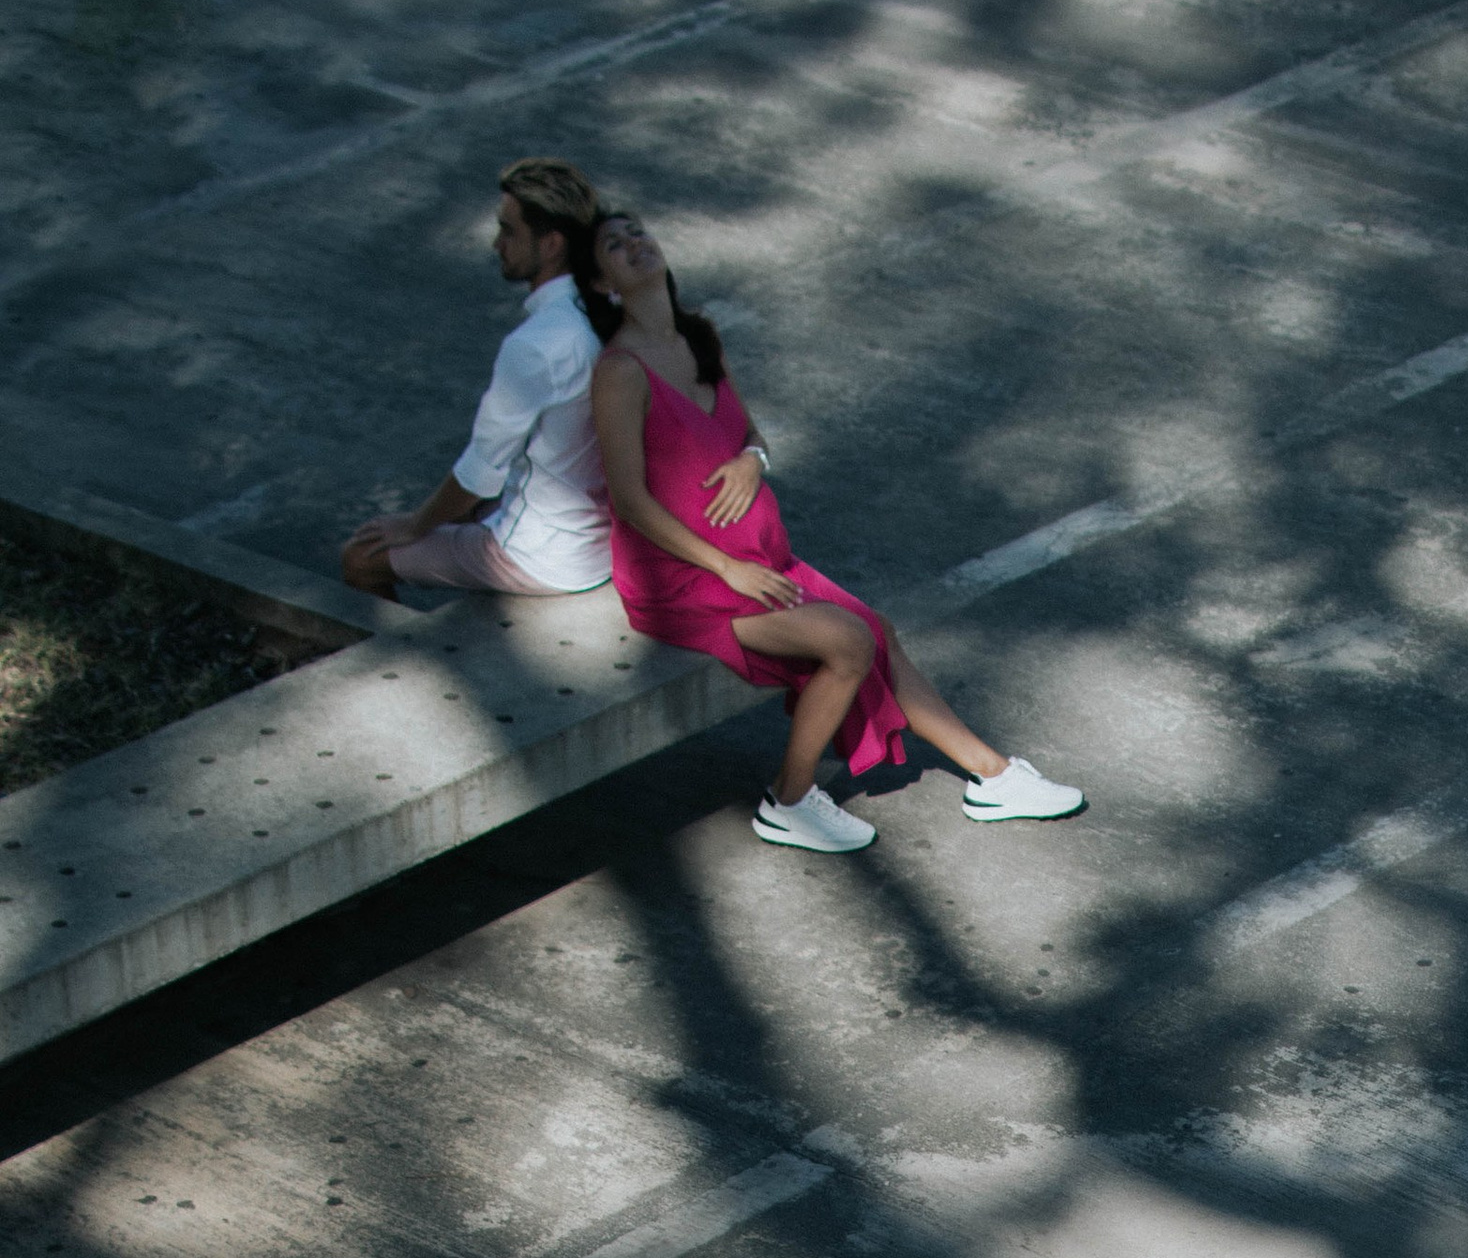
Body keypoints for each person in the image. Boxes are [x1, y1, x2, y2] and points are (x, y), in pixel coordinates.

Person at [574, 208, 1083, 854]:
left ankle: (996, 775)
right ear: (604, 285)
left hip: (758, 558)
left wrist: (750, 462)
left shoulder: (699, 338)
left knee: (879, 631)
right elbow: (630, 498)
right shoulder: (620, 371)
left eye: (637, 232)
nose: (634, 246)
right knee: (848, 642)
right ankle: (788, 800)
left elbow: (752, 436)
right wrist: (726, 568)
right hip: (688, 582)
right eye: (614, 247)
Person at [340, 159, 612, 602]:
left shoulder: (537, 344)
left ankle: (399, 667)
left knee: (359, 557)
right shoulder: (609, 306)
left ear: (551, 245)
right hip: (601, 543)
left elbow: (481, 473)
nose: (496, 243)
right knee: (469, 511)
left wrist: (414, 525)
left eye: (508, 231)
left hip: (544, 557)